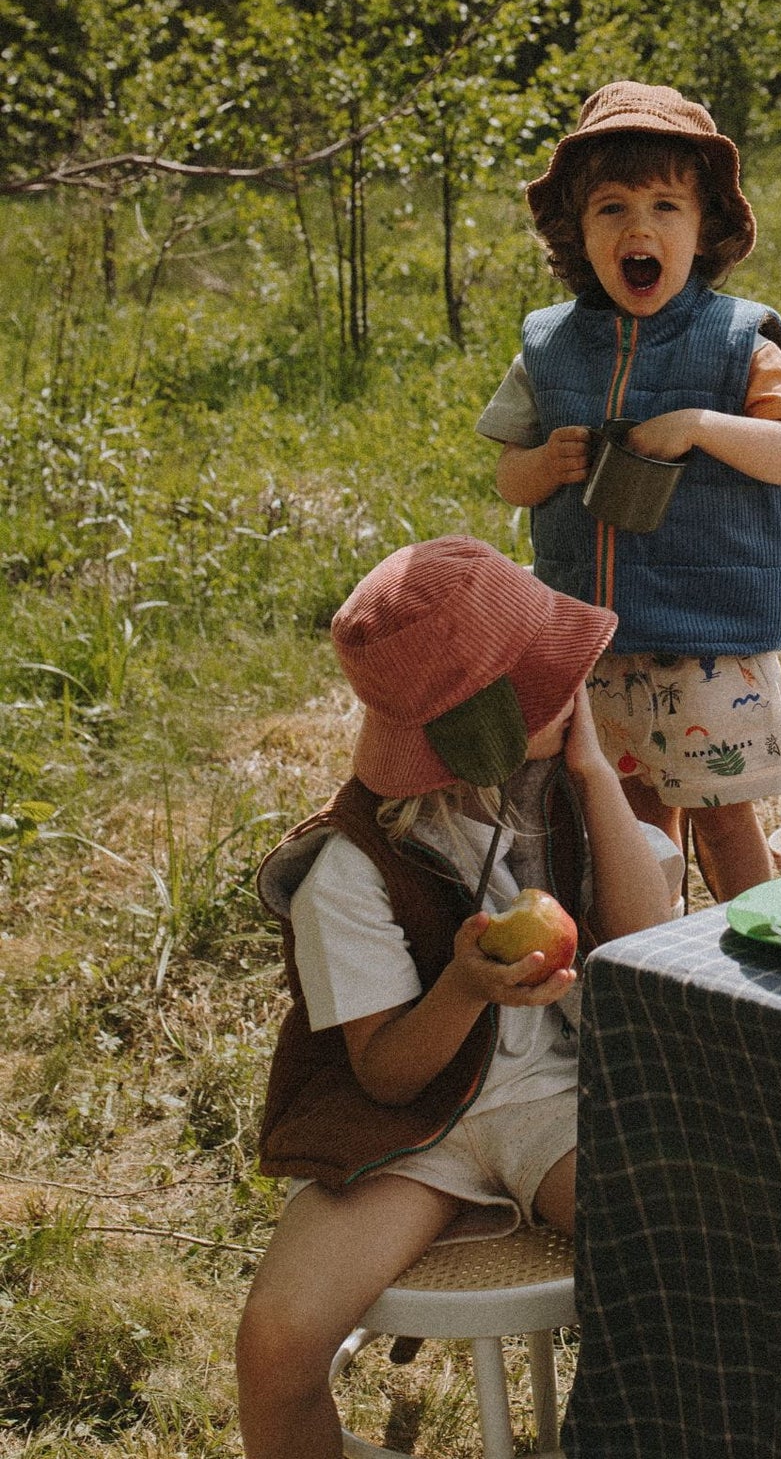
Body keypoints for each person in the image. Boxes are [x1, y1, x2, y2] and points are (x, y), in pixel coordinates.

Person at [235, 535, 677, 1459]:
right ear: (488, 728)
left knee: (673, 1254)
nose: (576, 691)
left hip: (559, 1104)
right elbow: (388, 1076)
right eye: (552, 680)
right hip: (413, 1136)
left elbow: (644, 945)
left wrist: (596, 774)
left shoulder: (561, 792)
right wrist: (465, 988)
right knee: (275, 1340)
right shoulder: (353, 866)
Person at [477, 80, 781, 901]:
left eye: (666, 206)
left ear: (704, 230)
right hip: (595, 638)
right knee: (629, 815)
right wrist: (545, 465)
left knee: (723, 814)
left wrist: (701, 422)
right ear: (576, 232)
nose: (640, 228)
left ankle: (756, 958)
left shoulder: (738, 339)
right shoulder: (550, 347)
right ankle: (660, 955)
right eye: (612, 209)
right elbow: (507, 477)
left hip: (705, 637)